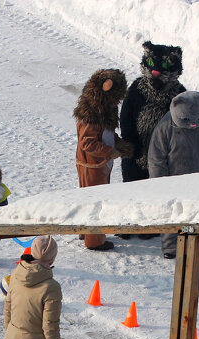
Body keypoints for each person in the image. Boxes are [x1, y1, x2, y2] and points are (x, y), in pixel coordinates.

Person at [147, 90, 199, 260]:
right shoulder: (166, 126)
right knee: (173, 213)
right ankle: (171, 246)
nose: (193, 124)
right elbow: (156, 157)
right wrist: (160, 181)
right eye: (187, 120)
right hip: (173, 180)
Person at [74, 69, 133, 251]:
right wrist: (110, 151)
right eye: (116, 98)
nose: (117, 102)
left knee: (90, 198)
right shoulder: (92, 114)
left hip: (98, 163)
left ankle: (86, 231)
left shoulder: (104, 110)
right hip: (92, 164)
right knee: (95, 201)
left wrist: (119, 145)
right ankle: (94, 240)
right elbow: (88, 143)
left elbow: (105, 134)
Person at [120, 42, 186, 189]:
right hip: (137, 156)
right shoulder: (137, 88)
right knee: (133, 194)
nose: (156, 71)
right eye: (151, 63)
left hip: (168, 161)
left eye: (164, 66)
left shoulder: (179, 94)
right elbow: (126, 118)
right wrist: (130, 143)